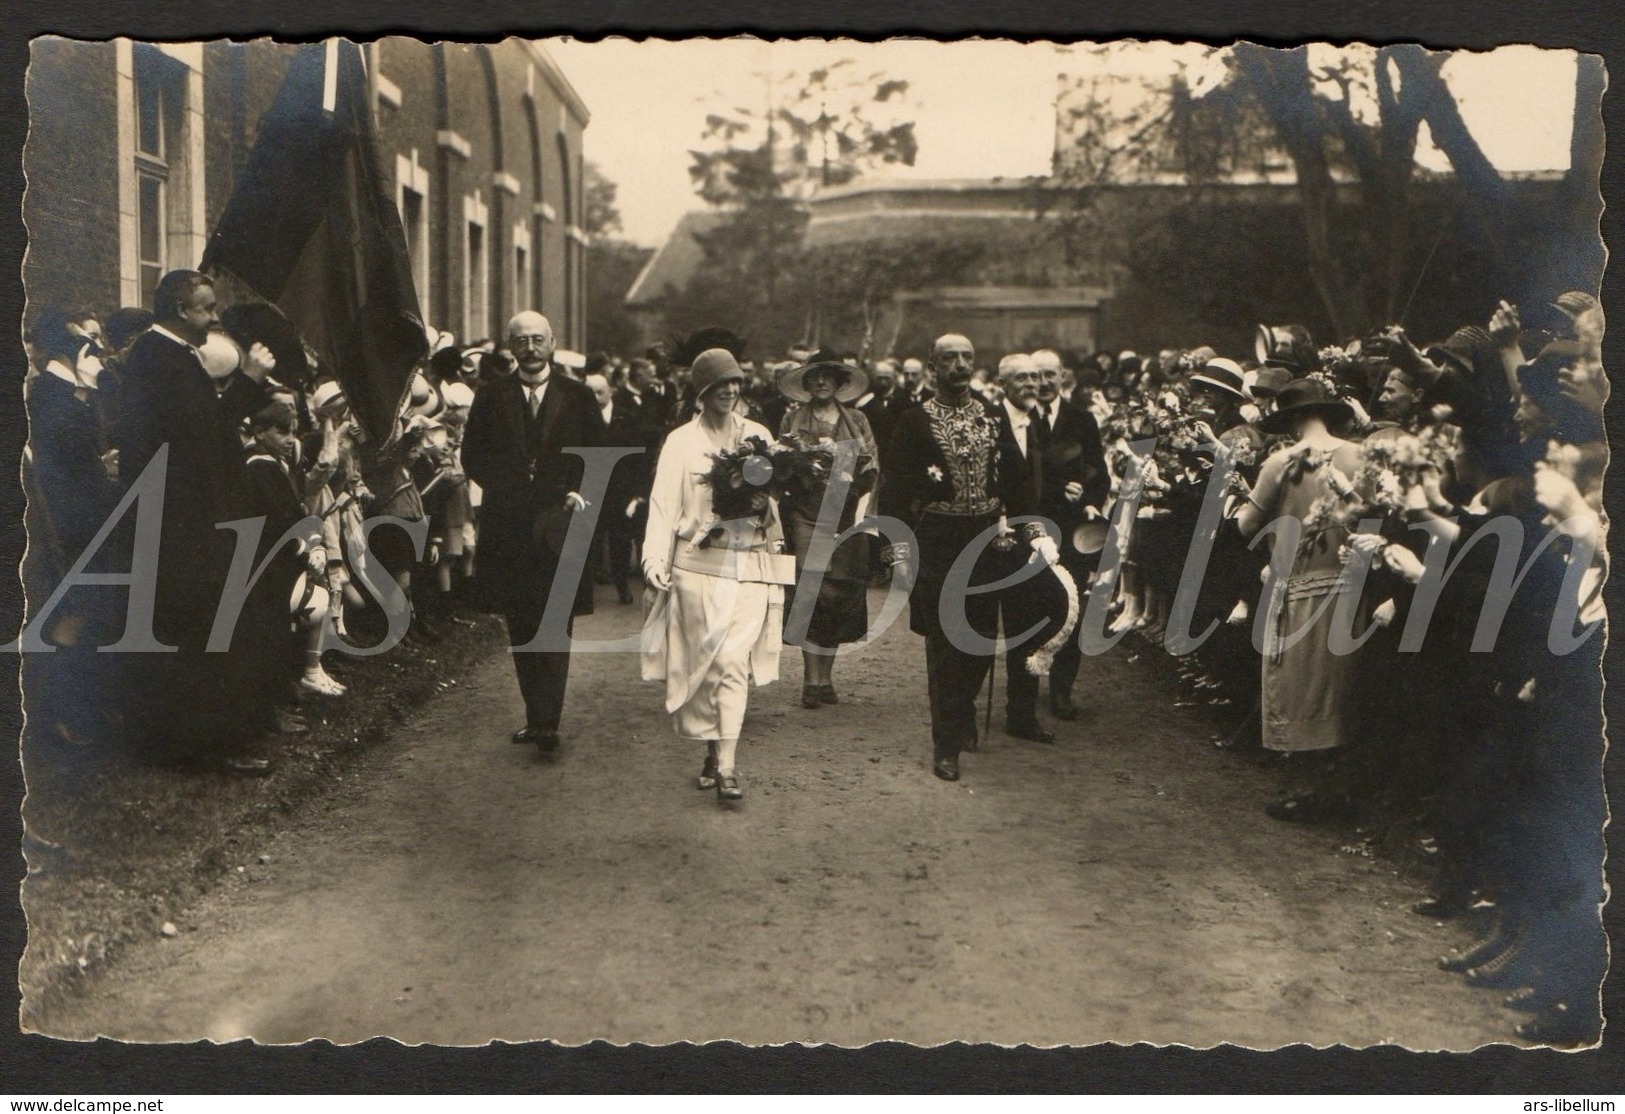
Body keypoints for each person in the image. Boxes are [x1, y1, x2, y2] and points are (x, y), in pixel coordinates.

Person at [113, 270, 279, 774]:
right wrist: (248, 382)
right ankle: (206, 746)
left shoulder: (170, 358)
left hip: (183, 518)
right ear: (181, 311)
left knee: (196, 632)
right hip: (181, 522)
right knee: (201, 633)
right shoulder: (161, 360)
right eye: (207, 308)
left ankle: (193, 741)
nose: (214, 317)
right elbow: (204, 437)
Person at [881, 334, 1055, 781]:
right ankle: (947, 744)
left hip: (986, 539)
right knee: (945, 644)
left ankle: (963, 715)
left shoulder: (992, 415)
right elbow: (896, 490)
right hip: (938, 538)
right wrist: (899, 551)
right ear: (933, 366)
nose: (960, 365)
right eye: (949, 358)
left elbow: (1016, 480)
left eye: (967, 357)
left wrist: (1031, 529)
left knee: (978, 642)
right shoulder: (913, 421)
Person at [641, 348, 793, 803]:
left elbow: (777, 502)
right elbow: (663, 506)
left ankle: (727, 764)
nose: (730, 391)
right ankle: (711, 747)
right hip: (696, 570)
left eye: (735, 383)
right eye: (719, 385)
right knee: (703, 668)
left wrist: (766, 507)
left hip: (747, 564)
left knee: (732, 663)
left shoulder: (760, 437)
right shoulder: (681, 443)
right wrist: (654, 561)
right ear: (701, 392)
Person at [461, 310, 603, 755]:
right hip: (509, 528)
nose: (530, 347)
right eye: (520, 340)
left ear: (552, 342)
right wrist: (506, 490)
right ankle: (534, 714)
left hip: (561, 526)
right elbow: (473, 457)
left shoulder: (577, 395)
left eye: (537, 338)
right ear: (510, 346)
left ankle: (548, 720)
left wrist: (577, 492)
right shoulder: (491, 396)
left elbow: (599, 454)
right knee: (520, 621)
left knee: (555, 620)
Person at [1234, 377, 1365, 821]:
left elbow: (1247, 526)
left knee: (1301, 687)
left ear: (1290, 421)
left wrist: (1238, 504)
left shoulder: (1280, 462)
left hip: (1303, 586)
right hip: (1353, 585)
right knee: (1340, 687)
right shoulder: (1359, 453)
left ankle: (1310, 793)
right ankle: (1343, 789)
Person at [775, 348, 880, 709]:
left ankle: (827, 679)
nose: (821, 381)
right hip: (804, 513)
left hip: (845, 514)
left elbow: (873, 468)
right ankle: (810, 679)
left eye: (828, 376)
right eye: (814, 376)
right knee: (810, 589)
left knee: (838, 593)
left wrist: (854, 482)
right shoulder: (792, 420)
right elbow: (779, 466)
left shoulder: (857, 420)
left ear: (838, 382)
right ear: (806, 383)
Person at [1030, 348, 1108, 722]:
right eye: (1036, 375)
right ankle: (1026, 687)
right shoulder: (1019, 418)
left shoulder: (1082, 420)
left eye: (1050, 374)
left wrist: (1090, 498)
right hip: (1031, 525)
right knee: (1027, 606)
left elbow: (1100, 472)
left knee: (1069, 605)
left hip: (1071, 528)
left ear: (1063, 377)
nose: (1043, 383)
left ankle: (1061, 690)